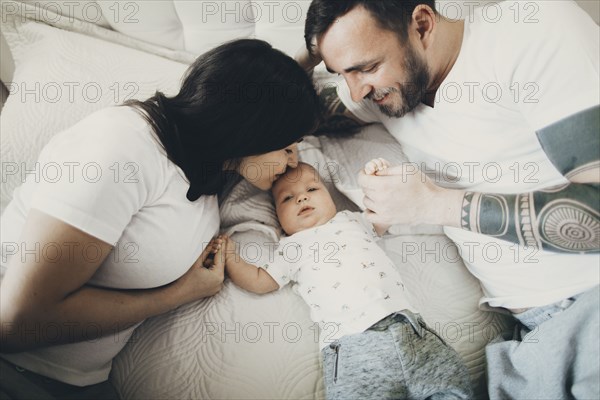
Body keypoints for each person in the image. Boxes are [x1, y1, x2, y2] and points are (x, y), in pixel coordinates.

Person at [298, 1, 599, 398]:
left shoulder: (531, 30)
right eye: (341, 73)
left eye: (366, 67)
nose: (356, 91)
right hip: (537, 344)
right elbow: (284, 110)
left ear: (422, 24)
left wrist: (434, 204)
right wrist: (309, 54)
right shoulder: (383, 91)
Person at [0, 39, 321, 399]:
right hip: (15, 371)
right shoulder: (120, 148)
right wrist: (179, 294)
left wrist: (315, 53)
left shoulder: (209, 170)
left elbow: (255, 93)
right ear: (254, 130)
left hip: (81, 382)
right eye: (289, 146)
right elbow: (16, 322)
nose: (293, 162)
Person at [222, 161, 473, 400]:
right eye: (287, 198)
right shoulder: (291, 248)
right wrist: (231, 257)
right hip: (353, 345)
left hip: (411, 328)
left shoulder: (353, 219)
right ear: (277, 215)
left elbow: (384, 215)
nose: (302, 197)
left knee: (454, 384)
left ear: (329, 194)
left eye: (311, 189)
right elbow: (259, 280)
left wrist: (379, 180)